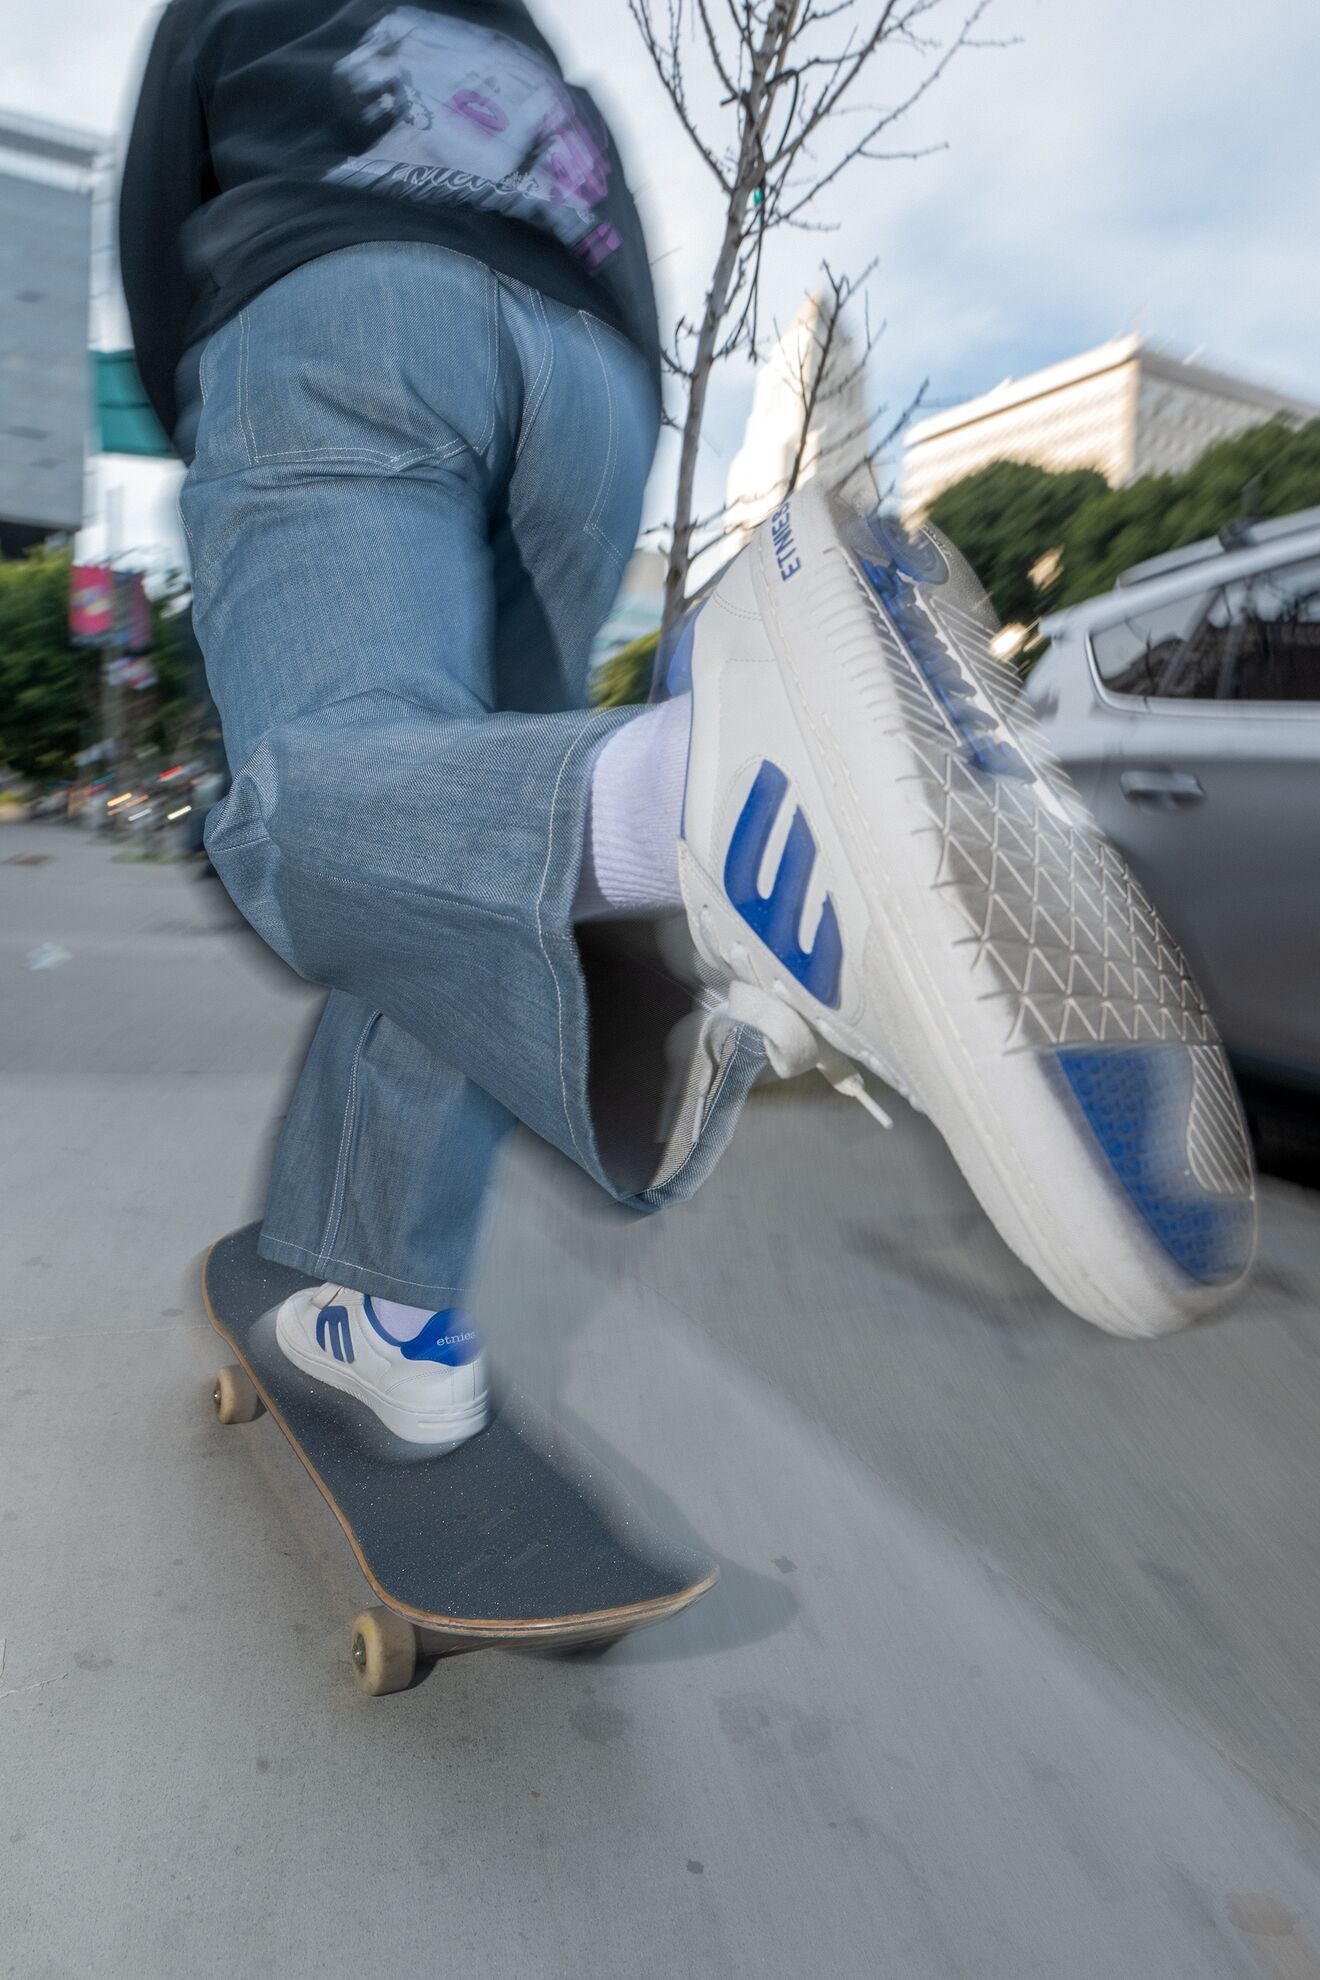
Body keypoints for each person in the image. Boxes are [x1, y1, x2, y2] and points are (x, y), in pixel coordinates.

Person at [121, 0, 1257, 1454]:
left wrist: (215, 407)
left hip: (343, 310)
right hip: (588, 386)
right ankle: (385, 1305)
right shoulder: (513, 27)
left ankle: (704, 806)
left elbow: (164, 230)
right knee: (468, 842)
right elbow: (628, 247)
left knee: (305, 803)